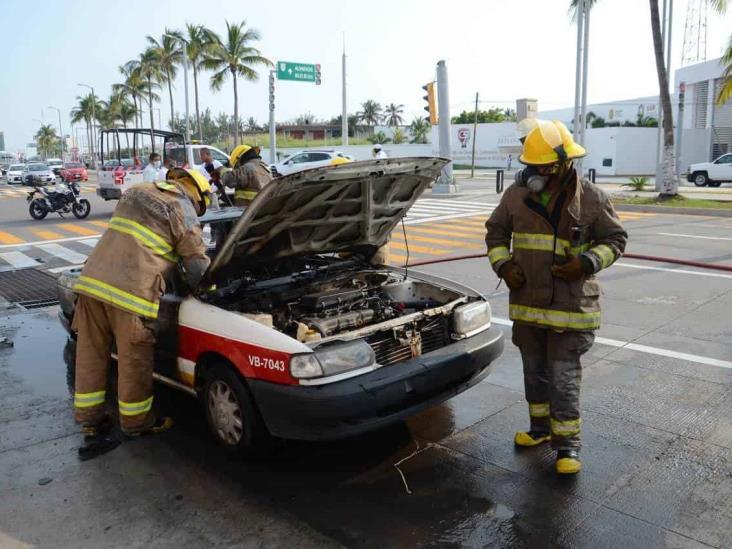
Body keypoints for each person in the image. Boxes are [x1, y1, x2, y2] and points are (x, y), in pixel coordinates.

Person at [484, 120, 627, 475]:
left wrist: (587, 262)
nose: (537, 173)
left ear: (566, 164)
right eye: (532, 167)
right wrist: (503, 266)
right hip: (528, 304)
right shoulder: (515, 196)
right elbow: (495, 234)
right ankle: (540, 431)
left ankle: (568, 446)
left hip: (571, 309)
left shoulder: (592, 198)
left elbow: (616, 240)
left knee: (562, 379)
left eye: (545, 167)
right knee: (534, 373)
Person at [72, 167, 212, 460]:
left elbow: (135, 240)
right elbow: (197, 265)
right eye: (201, 206)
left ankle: (90, 421)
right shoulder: (181, 206)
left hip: (91, 283)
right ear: (195, 194)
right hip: (131, 294)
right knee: (133, 360)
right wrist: (213, 290)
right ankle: (137, 423)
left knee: (90, 355)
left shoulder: (137, 192)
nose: (197, 211)